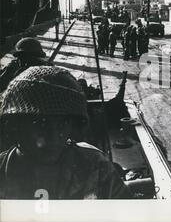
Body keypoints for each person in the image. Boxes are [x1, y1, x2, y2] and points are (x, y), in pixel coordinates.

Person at [0, 66, 131, 199]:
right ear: (16, 126)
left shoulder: (95, 167)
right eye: (40, 123)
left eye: (62, 123)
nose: (53, 135)